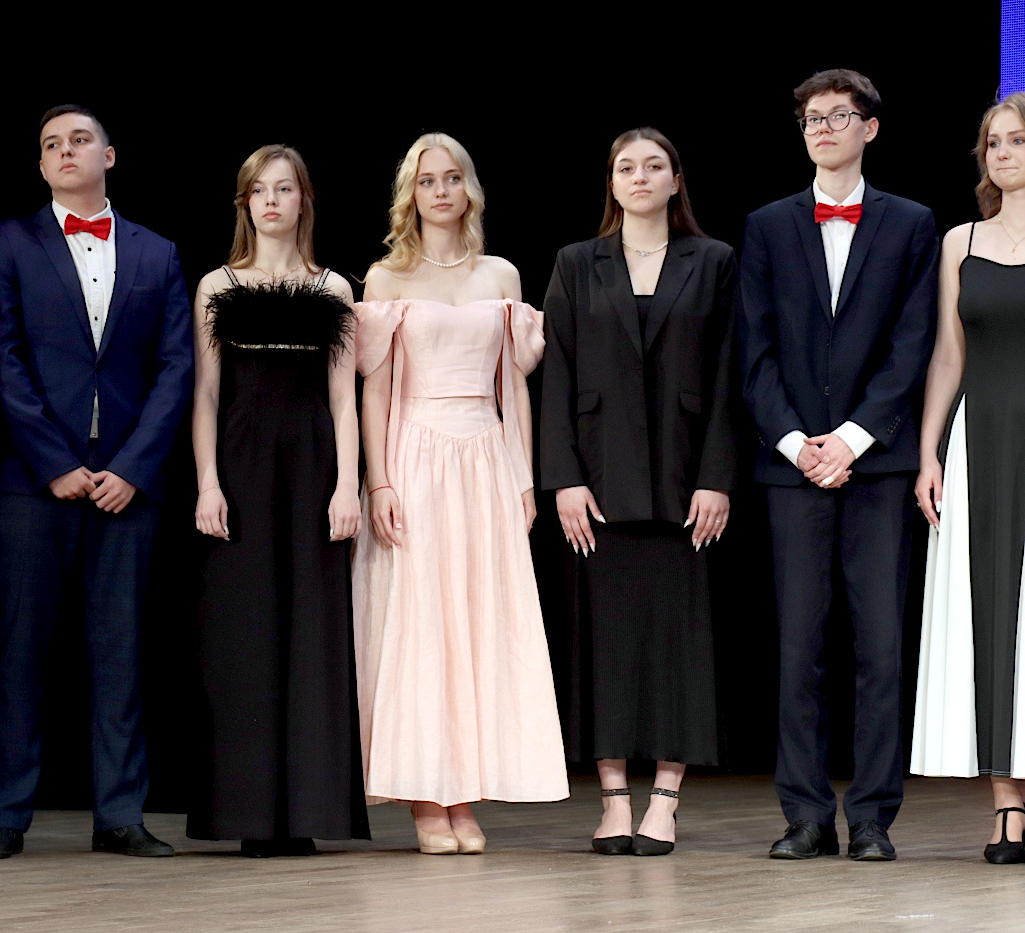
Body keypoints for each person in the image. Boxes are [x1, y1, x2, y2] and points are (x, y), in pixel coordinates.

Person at [0, 105, 193, 860]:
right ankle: (5, 816)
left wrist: (132, 468)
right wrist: (54, 463)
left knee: (120, 654)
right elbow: (3, 360)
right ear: (41, 166)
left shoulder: (159, 252)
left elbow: (176, 368)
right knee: (19, 653)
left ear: (109, 154)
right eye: (50, 145)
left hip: (128, 484)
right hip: (32, 482)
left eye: (78, 140)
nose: (65, 151)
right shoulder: (9, 243)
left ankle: (120, 814)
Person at [738, 69, 938, 861]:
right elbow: (753, 350)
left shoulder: (912, 222)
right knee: (800, 648)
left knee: (880, 647)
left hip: (878, 466)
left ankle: (875, 817)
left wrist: (853, 439)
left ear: (870, 128)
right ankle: (806, 814)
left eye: (837, 116)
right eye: (811, 119)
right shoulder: (766, 225)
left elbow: (913, 342)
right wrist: (798, 443)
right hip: (792, 467)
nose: (822, 129)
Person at [353, 132, 568, 856]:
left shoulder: (500, 274)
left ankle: (465, 794)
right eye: (426, 181)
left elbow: (515, 386)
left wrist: (525, 476)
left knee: (477, 623)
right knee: (422, 624)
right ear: (410, 194)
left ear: (468, 188)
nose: (440, 191)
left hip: (485, 456)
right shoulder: (386, 279)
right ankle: (427, 797)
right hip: (415, 454)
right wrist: (380, 479)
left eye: (451, 178)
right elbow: (375, 390)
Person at [540, 128, 737, 856]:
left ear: (676, 180)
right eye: (626, 167)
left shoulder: (713, 260)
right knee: (606, 644)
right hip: (598, 483)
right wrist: (563, 477)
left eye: (655, 165)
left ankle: (666, 800)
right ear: (612, 182)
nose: (641, 176)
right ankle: (614, 800)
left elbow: (728, 374)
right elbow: (556, 373)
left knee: (680, 643)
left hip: (686, 483)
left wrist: (717, 476)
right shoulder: (575, 262)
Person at [186, 145, 368, 856]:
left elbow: (344, 398)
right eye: (258, 190)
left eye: (283, 189)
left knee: (313, 632)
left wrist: (347, 485)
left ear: (303, 201)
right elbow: (206, 394)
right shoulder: (217, 284)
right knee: (246, 633)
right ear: (245, 204)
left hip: (314, 468)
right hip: (241, 467)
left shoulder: (333, 288)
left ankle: (306, 811)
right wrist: (208, 482)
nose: (270, 201)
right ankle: (251, 813)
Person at [910, 91, 1025, 864]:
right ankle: (1008, 804)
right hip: (980, 438)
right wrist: (929, 453)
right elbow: (948, 355)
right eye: (994, 143)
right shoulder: (962, 240)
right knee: (992, 615)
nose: (1004, 153)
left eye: (1018, 140)